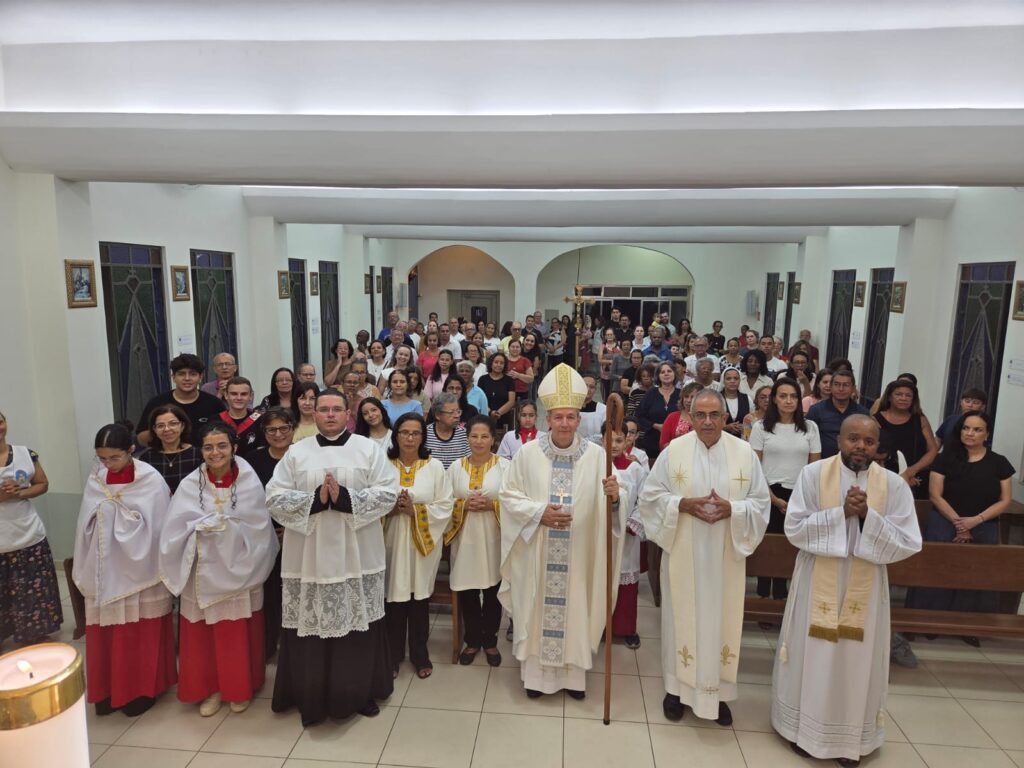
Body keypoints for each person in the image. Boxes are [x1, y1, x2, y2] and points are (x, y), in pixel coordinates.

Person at [771, 415, 921, 764]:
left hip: (865, 590)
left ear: (877, 445)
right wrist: (841, 513)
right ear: (839, 439)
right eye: (854, 439)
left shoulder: (893, 485)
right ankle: (803, 732)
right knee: (814, 654)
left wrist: (868, 515)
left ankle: (850, 739)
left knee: (857, 661)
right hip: (817, 581)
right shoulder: (813, 475)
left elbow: (908, 541)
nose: (860, 447)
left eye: (869, 441)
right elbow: (794, 528)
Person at [266, 388, 398, 725]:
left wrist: (344, 500)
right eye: (323, 409)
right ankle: (308, 694)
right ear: (313, 412)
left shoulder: (368, 449)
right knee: (310, 627)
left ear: (346, 413)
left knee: (358, 624)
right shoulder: (296, 452)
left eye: (336, 409)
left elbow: (387, 492)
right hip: (307, 556)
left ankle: (358, 693)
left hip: (357, 554)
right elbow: (274, 496)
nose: (329, 414)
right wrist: (313, 499)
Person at [638, 389, 770, 725]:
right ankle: (676, 690)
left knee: (721, 621)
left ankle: (720, 693)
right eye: (701, 415)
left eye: (715, 415)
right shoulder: (674, 452)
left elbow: (760, 503)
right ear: (690, 417)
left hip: (726, 555)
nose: (708, 422)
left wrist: (733, 510)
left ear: (726, 418)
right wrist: (682, 504)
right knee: (680, 618)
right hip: (685, 549)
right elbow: (650, 497)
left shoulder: (744, 453)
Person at [498, 363, 624, 699]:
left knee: (577, 607)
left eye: (570, 417)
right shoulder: (527, 455)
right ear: (547, 420)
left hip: (580, 554)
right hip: (537, 552)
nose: (565, 423)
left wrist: (615, 499)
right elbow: (508, 497)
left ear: (579, 420)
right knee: (538, 609)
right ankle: (537, 679)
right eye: (558, 417)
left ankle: (573, 677)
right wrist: (540, 513)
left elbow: (613, 511)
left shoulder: (598, 458)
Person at [160, 423, 279, 716]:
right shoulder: (190, 484)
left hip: (240, 568)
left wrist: (228, 526)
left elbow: (260, 527)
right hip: (202, 570)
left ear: (234, 447)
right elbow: (174, 528)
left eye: (222, 446)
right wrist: (199, 527)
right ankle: (210, 688)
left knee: (235, 632)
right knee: (203, 634)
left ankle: (239, 687)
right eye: (209, 447)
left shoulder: (249, 480)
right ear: (201, 450)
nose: (216, 453)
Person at [74, 423, 176, 716]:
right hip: (104, 565)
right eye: (101, 458)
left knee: (137, 631)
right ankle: (107, 689)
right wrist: (104, 513)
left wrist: (116, 514)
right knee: (106, 632)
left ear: (131, 450)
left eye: (114, 457)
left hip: (139, 566)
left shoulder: (150, 480)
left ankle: (141, 690)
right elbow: (85, 521)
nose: (107, 464)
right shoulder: (97, 478)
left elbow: (158, 526)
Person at [904, 411, 1014, 636]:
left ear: (987, 434)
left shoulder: (999, 462)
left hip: (983, 525)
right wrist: (960, 523)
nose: (970, 433)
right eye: (966, 428)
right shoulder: (945, 458)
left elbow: (1005, 500)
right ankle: (926, 623)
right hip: (944, 521)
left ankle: (970, 629)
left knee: (976, 574)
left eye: (977, 429)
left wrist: (975, 521)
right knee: (935, 571)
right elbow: (935, 494)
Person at [384, 413, 454, 679]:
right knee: (393, 600)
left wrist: (416, 511)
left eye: (416, 433)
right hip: (390, 540)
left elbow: (445, 505)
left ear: (423, 437)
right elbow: (369, 500)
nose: (410, 438)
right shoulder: (383, 464)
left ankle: (419, 653)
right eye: (404, 432)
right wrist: (389, 509)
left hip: (422, 543)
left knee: (418, 600)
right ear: (396, 435)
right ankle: (391, 655)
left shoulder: (434, 467)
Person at [749, 378, 821, 604]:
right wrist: (774, 499)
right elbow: (754, 467)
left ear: (799, 400)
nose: (788, 401)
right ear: (774, 400)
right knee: (768, 545)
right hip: (768, 492)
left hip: (798, 494)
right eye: (783, 396)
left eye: (793, 396)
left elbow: (814, 467)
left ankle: (781, 596)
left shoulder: (810, 428)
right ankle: (762, 594)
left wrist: (799, 499)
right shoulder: (761, 427)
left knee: (788, 546)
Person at [446, 416, 508, 666]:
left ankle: (490, 641)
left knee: (493, 590)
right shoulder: (455, 468)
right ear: (467, 437)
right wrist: (463, 505)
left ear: (494, 438)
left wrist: (494, 505)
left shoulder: (506, 466)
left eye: (485, 436)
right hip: (464, 540)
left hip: (494, 539)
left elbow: (516, 502)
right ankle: (472, 641)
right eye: (474, 436)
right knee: (467, 590)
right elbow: (443, 502)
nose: (479, 441)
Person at [0, 410, 62, 646]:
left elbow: (42, 483)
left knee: (31, 591)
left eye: (0, 422)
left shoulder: (26, 454)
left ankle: (33, 634)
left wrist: (21, 492)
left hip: (28, 536)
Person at [246, 406, 294, 659]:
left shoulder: (302, 456)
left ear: (292, 429)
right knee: (268, 593)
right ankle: (266, 646)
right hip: (263, 535)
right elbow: (247, 501)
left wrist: (291, 529)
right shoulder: (252, 461)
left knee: (293, 592)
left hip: (297, 536)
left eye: (284, 428)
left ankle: (291, 648)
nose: (278, 434)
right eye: (271, 429)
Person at [605, 423, 649, 649]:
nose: (614, 445)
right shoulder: (595, 467)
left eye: (619, 440)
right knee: (601, 582)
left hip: (627, 535)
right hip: (601, 536)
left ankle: (626, 629)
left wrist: (633, 523)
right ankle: (601, 627)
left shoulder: (636, 470)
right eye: (609, 439)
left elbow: (645, 500)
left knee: (626, 584)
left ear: (628, 441)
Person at [138, 353, 227, 445]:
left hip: (205, 457)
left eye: (193, 374)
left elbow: (226, 435)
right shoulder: (157, 403)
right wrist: (162, 431)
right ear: (173, 377)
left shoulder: (214, 404)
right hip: (166, 456)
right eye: (181, 374)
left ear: (200, 377)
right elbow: (141, 437)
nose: (187, 378)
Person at [873, 380, 938, 499]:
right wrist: (901, 476)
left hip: (917, 478)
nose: (903, 398)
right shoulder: (876, 419)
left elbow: (932, 450)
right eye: (899, 394)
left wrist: (911, 471)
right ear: (889, 397)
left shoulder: (920, 419)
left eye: (908, 395)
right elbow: (873, 452)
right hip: (885, 478)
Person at [137, 404, 203, 493]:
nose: (167, 429)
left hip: (191, 505)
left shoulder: (197, 454)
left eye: (173, 424)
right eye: (160, 425)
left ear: (182, 426)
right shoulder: (147, 458)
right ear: (154, 430)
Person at [807, 369, 870, 458]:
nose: (841, 389)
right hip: (823, 464)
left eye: (846, 385)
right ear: (831, 387)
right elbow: (808, 440)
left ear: (853, 388)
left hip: (853, 463)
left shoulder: (862, 413)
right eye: (836, 384)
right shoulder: (816, 410)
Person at [635, 361, 681, 462]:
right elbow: (639, 416)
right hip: (652, 443)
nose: (666, 374)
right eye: (662, 372)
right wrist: (655, 426)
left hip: (677, 443)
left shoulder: (681, 394)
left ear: (675, 374)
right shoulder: (651, 393)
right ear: (658, 376)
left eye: (669, 371)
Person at [219, 376, 265, 457]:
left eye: (244, 394)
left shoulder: (261, 420)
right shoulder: (216, 421)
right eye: (234, 394)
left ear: (251, 396)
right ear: (226, 395)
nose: (239, 398)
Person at [425, 393, 471, 469]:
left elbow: (469, 463)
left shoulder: (464, 434)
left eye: (458, 411)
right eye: (451, 412)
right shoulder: (425, 433)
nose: (457, 416)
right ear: (438, 415)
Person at [658, 381, 703, 450]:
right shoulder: (672, 417)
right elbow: (663, 443)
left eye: (692, 397)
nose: (688, 400)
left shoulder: (706, 418)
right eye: (686, 396)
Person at [479, 352, 516, 431]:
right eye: (496, 362)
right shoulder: (482, 379)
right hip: (485, 414)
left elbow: (511, 401)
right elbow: (480, 399)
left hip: (504, 416)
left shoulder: (509, 380)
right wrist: (490, 412)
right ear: (491, 363)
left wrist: (498, 413)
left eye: (501, 363)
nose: (498, 365)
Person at [720, 368, 752, 437]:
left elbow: (753, 421)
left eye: (736, 378)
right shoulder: (716, 398)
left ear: (740, 381)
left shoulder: (747, 398)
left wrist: (745, 427)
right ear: (723, 381)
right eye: (728, 379)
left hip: (742, 440)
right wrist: (725, 427)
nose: (732, 381)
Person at [578, 374, 606, 441]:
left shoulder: (603, 409)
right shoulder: (570, 408)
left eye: (592, 387)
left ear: (595, 390)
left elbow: (605, 433)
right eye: (585, 385)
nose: (588, 389)